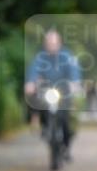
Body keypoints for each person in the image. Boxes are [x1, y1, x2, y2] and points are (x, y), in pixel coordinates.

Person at [24, 29, 81, 159]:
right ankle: (38, 121)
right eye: (49, 43)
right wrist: (31, 83)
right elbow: (34, 70)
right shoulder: (40, 57)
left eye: (54, 43)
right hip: (47, 90)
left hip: (64, 91)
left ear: (59, 43)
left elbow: (74, 71)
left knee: (66, 119)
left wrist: (74, 83)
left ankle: (66, 145)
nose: (51, 45)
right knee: (36, 102)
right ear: (45, 44)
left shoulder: (67, 56)